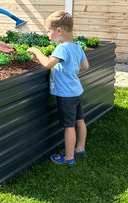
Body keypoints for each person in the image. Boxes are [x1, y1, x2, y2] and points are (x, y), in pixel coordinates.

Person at [27, 11, 89, 166]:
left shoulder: (62, 48)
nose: (48, 35)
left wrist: (36, 51)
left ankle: (69, 157)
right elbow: (85, 66)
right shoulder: (77, 46)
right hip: (77, 91)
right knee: (79, 120)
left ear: (59, 31)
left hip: (66, 95)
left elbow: (47, 64)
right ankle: (80, 148)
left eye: (49, 31)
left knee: (69, 126)